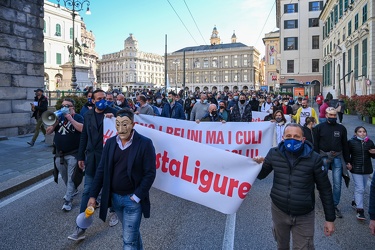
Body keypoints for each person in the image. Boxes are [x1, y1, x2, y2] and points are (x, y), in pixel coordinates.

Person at [253, 124, 335, 249]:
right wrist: (257, 165)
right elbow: (261, 175)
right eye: (289, 136)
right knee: (282, 246)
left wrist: (330, 219)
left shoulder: (315, 159)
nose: (292, 139)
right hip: (279, 211)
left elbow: (325, 189)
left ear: (303, 139)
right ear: (283, 138)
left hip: (304, 215)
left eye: (296, 136)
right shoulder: (274, 154)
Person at [87, 108, 156, 249]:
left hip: (133, 200)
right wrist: (93, 195)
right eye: (118, 124)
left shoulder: (145, 144)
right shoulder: (111, 143)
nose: (121, 128)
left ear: (133, 125)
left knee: (128, 241)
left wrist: (137, 196)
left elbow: (150, 173)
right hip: (115, 199)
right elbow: (101, 170)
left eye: (125, 124)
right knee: (132, 234)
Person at [68, 89, 119, 241]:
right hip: (92, 158)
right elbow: (84, 136)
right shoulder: (88, 115)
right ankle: (81, 226)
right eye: (99, 98)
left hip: (110, 158)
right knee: (88, 191)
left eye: (105, 98)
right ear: (93, 100)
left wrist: (114, 119)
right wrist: (80, 156)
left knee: (111, 188)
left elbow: (129, 120)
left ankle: (113, 211)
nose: (103, 100)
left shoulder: (114, 112)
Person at [46, 98, 83, 211]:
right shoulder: (58, 117)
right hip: (60, 154)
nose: (64, 107)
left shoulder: (78, 117)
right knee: (64, 174)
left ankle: (68, 200)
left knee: (71, 177)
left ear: (73, 107)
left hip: (73, 153)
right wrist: (55, 123)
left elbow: (82, 129)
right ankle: (72, 190)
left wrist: (70, 118)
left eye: (67, 105)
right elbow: (48, 132)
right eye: (63, 105)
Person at [314, 107, 351, 218]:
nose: (333, 117)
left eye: (334, 115)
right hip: (323, 157)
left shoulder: (341, 128)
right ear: (326, 115)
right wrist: (315, 159)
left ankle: (333, 205)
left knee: (337, 183)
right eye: (330, 115)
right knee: (322, 181)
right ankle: (323, 197)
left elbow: (345, 145)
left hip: (338, 157)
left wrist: (348, 161)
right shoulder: (319, 128)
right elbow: (315, 145)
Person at [348, 126, 375, 220]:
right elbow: (347, 154)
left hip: (367, 169)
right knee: (360, 188)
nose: (362, 133)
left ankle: (355, 201)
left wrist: (373, 152)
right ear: (355, 133)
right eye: (360, 131)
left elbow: (373, 156)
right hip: (356, 168)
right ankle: (360, 211)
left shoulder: (370, 142)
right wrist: (348, 163)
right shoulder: (351, 142)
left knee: (362, 187)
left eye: (364, 131)